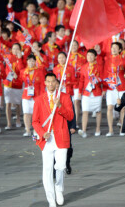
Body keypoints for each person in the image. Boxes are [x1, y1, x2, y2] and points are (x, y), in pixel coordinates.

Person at [32, 73, 74, 207]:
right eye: (48, 82)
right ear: (44, 83)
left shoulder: (65, 97)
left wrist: (60, 106)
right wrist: (42, 133)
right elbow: (35, 121)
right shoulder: (39, 99)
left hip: (61, 136)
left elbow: (70, 116)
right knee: (48, 169)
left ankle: (59, 188)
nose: (50, 84)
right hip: (47, 139)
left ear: (57, 82)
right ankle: (51, 199)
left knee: (61, 166)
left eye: (53, 82)